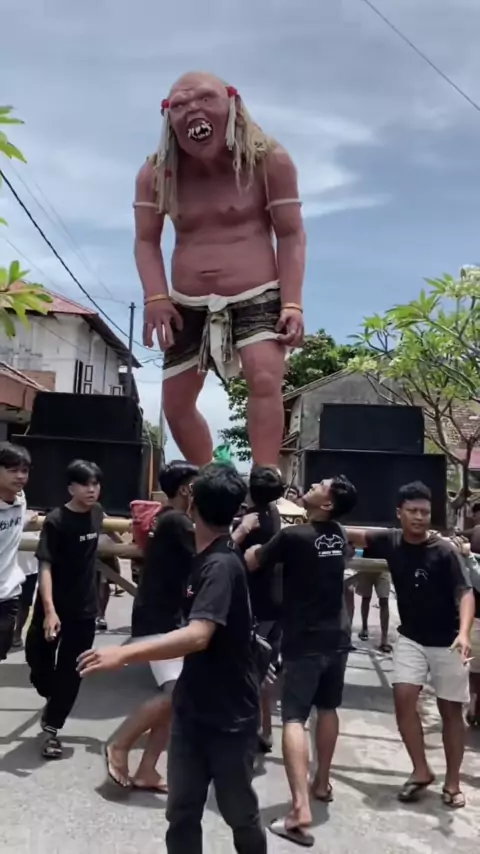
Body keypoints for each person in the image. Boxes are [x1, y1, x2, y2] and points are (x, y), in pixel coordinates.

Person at [78, 463, 267, 854]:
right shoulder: (205, 551)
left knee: (239, 813)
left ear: (192, 500)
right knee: (182, 813)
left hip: (230, 717)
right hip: (192, 711)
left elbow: (198, 635)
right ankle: (142, 763)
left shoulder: (219, 564)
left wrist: (122, 654)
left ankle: (123, 746)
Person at [135, 71, 306, 468]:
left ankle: (265, 481)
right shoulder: (156, 173)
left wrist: (293, 303)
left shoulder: (269, 159)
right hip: (186, 300)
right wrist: (155, 297)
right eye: (180, 105)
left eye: (205, 99)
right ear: (168, 116)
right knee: (176, 404)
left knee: (265, 379)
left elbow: (291, 234)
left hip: (257, 292)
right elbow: (146, 240)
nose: (192, 109)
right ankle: (210, 480)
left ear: (232, 104)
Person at [347, 481, 474, 809]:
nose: (419, 517)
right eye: (413, 511)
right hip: (411, 638)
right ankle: (421, 770)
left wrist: (463, 633)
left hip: (448, 641)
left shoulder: (445, 551)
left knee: (451, 712)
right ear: (399, 513)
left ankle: (453, 782)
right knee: (403, 699)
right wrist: (314, 520)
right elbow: (352, 534)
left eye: (425, 512)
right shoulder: (390, 541)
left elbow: (465, 593)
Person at [245, 475, 357, 847]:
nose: (314, 484)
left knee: (294, 717)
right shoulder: (338, 534)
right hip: (337, 637)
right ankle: (321, 782)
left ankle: (299, 810)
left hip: (304, 640)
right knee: (328, 708)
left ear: (327, 504)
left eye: (322, 485)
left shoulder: (294, 537)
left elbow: (253, 560)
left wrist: (248, 540)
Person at [102, 460, 198, 791]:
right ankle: (120, 744)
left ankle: (147, 770)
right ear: (186, 488)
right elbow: (207, 554)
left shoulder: (167, 517)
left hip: (163, 613)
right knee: (177, 692)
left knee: (177, 698)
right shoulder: (178, 521)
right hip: (161, 617)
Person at [25, 460, 104, 759]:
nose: (92, 489)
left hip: (85, 611)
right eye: (85, 484)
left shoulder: (98, 513)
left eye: (95, 483)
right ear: (71, 488)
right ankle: (52, 696)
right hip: (53, 608)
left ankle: (52, 728)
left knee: (73, 671)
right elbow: (45, 566)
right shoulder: (57, 521)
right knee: (38, 662)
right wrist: (50, 610)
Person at [234, 464, 284, 754]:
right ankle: (265, 729)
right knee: (267, 668)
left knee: (251, 669)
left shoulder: (252, 522)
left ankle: (249, 731)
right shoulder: (273, 514)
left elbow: (241, 562)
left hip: (256, 604)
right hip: (274, 602)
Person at [0, 443, 31, 661]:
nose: (20, 476)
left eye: (24, 470)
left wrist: (28, 520)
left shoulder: (20, 499)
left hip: (8, 596)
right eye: (12, 470)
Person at [354, 555, 392, 653]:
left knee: (384, 600)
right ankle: (364, 628)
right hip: (366, 565)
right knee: (366, 598)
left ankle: (384, 639)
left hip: (383, 566)